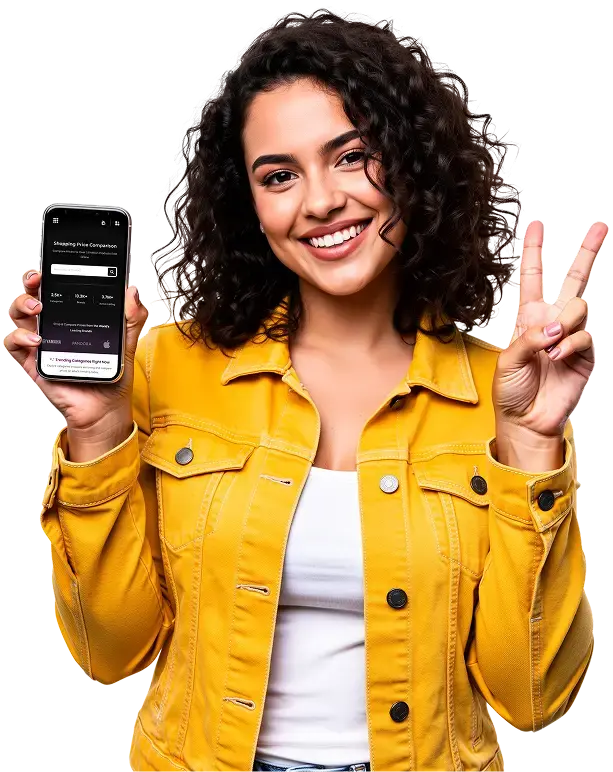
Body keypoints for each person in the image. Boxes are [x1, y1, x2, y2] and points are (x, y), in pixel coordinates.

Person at [5, 9, 602, 772]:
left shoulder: (506, 394)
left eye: (350, 157)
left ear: (414, 163)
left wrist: (529, 446)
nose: (318, 202)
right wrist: (98, 428)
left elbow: (529, 697)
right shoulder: (163, 368)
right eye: (278, 175)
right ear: (246, 207)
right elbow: (111, 656)